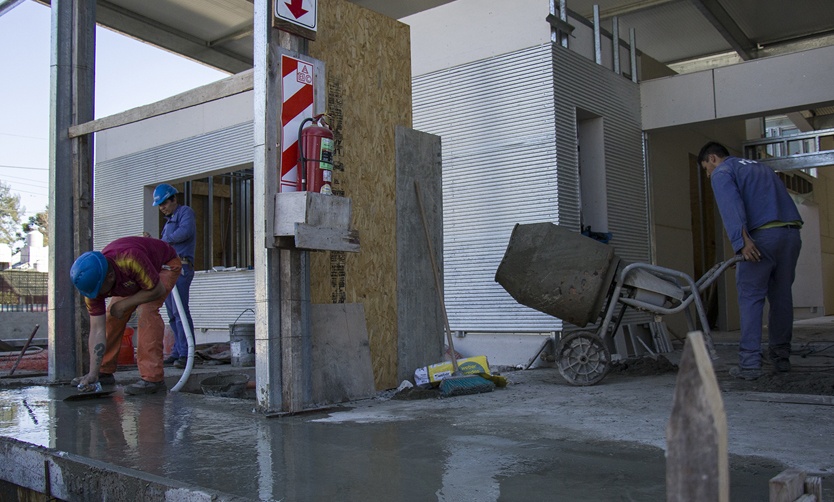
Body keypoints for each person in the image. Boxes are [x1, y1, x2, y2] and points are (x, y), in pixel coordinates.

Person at [698, 141, 803, 380]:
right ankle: (781, 358)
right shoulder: (761, 167)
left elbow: (731, 207)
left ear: (713, 159)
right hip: (790, 236)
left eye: (706, 168)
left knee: (751, 297)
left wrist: (741, 243)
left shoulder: (723, 171)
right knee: (781, 296)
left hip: (761, 239)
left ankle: (749, 363)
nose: (708, 174)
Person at [70, 236, 182, 395]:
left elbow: (157, 290)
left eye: (99, 291)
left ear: (109, 277)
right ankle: (103, 372)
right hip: (136, 276)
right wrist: (92, 373)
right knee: (111, 316)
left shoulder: (129, 259)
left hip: (164, 265)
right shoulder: (92, 286)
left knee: (146, 310)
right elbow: (97, 329)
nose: (97, 296)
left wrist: (124, 304)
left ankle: (153, 380)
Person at [144, 184, 197, 369]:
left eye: (164, 203)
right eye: (159, 205)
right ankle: (178, 351)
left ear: (174, 199)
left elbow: (185, 232)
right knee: (172, 314)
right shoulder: (168, 222)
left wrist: (161, 242)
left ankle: (186, 353)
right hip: (168, 270)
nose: (162, 208)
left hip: (181, 268)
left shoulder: (185, 212)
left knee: (180, 311)